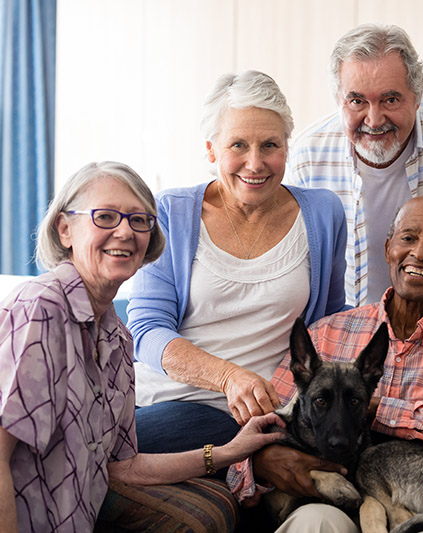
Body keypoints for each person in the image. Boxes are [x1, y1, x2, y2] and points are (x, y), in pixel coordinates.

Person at [0, 161, 285, 532]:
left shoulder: (118, 338)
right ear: (65, 229)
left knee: (212, 510)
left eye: (139, 221)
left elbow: (125, 467)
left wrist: (230, 452)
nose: (125, 231)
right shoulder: (41, 309)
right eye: (105, 217)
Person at [228, 195, 423, 533]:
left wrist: (383, 411)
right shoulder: (326, 333)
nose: (420, 252)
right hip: (327, 503)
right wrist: (261, 462)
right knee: (315, 522)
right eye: (408, 238)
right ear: (388, 248)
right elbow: (260, 426)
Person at [126, 71, 349, 456]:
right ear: (212, 150)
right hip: (169, 403)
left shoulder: (323, 214)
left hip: (268, 414)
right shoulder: (169, 212)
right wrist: (229, 378)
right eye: (238, 145)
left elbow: (330, 324)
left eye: (270, 145)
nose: (255, 163)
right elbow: (146, 331)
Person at [286, 23, 423, 358]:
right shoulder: (309, 154)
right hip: (350, 344)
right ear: (338, 100)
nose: (373, 118)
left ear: (417, 97)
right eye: (357, 101)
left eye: (390, 99)